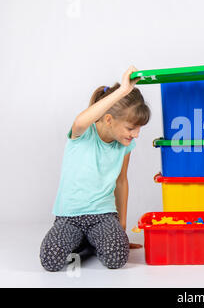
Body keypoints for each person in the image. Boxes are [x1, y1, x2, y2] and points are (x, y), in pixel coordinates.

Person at [40, 66, 150, 271]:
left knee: (117, 258)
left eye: (138, 129)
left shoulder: (124, 146)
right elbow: (80, 120)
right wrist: (122, 91)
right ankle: (86, 242)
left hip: (103, 215)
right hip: (69, 215)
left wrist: (121, 227)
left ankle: (93, 242)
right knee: (51, 261)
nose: (136, 135)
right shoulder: (82, 133)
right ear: (109, 119)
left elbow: (121, 181)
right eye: (130, 128)